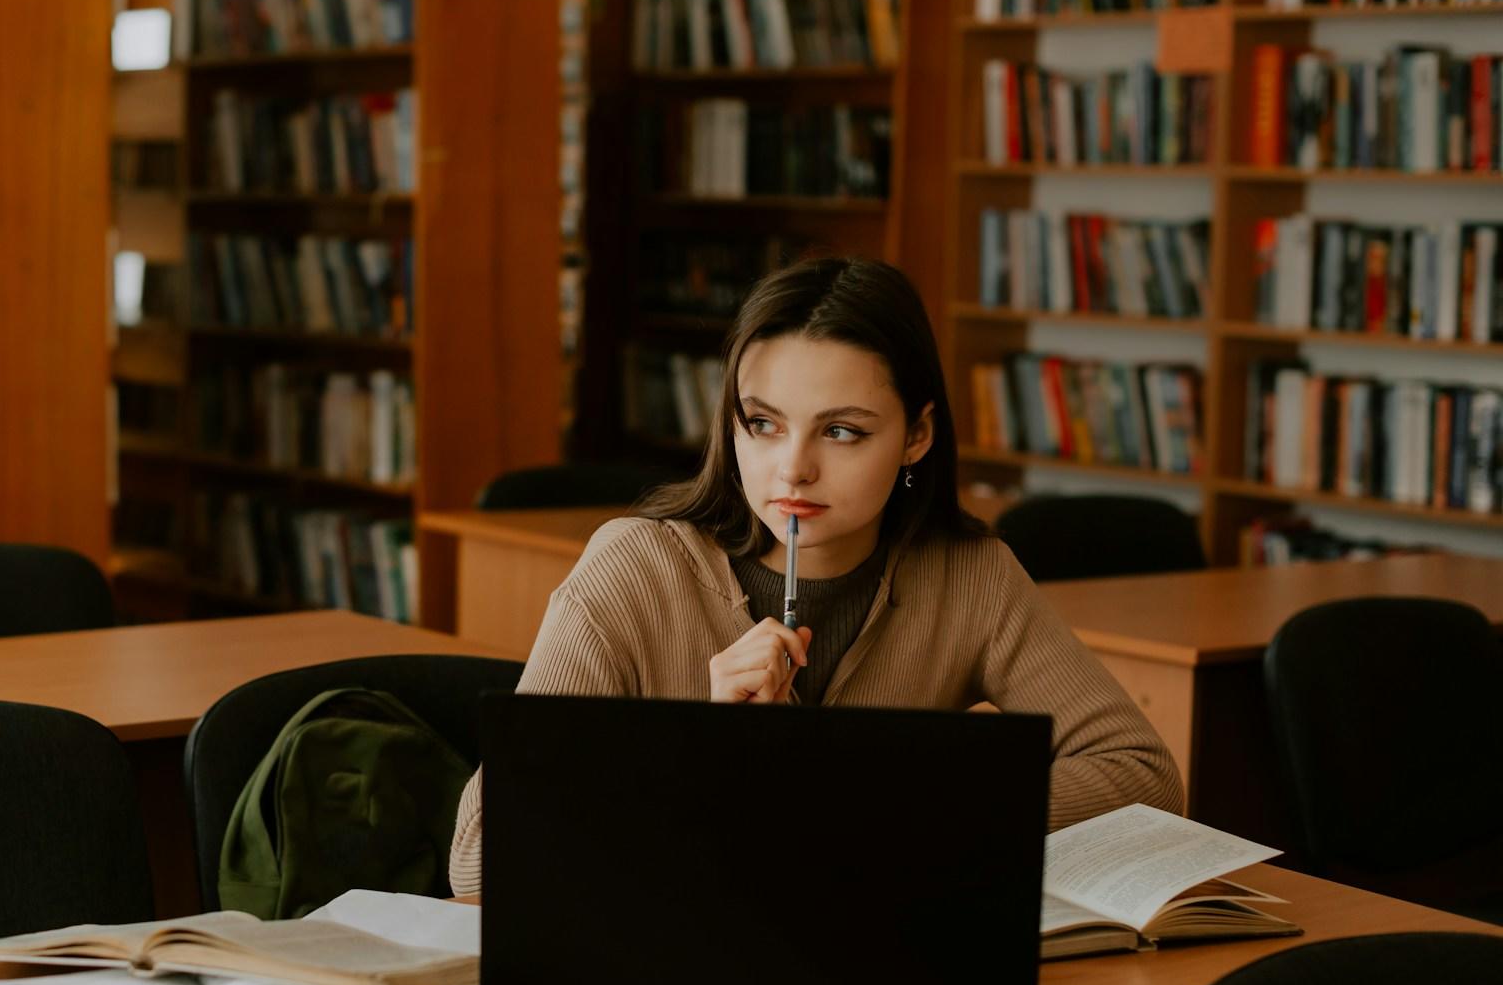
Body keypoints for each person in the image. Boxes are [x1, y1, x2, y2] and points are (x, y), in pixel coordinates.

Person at [449, 257, 1183, 894]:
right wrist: (697, 757)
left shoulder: (970, 578)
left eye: (841, 432)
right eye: (762, 424)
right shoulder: (632, 571)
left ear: (916, 436)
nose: (792, 467)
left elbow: (1146, 777)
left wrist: (867, 795)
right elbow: (480, 861)